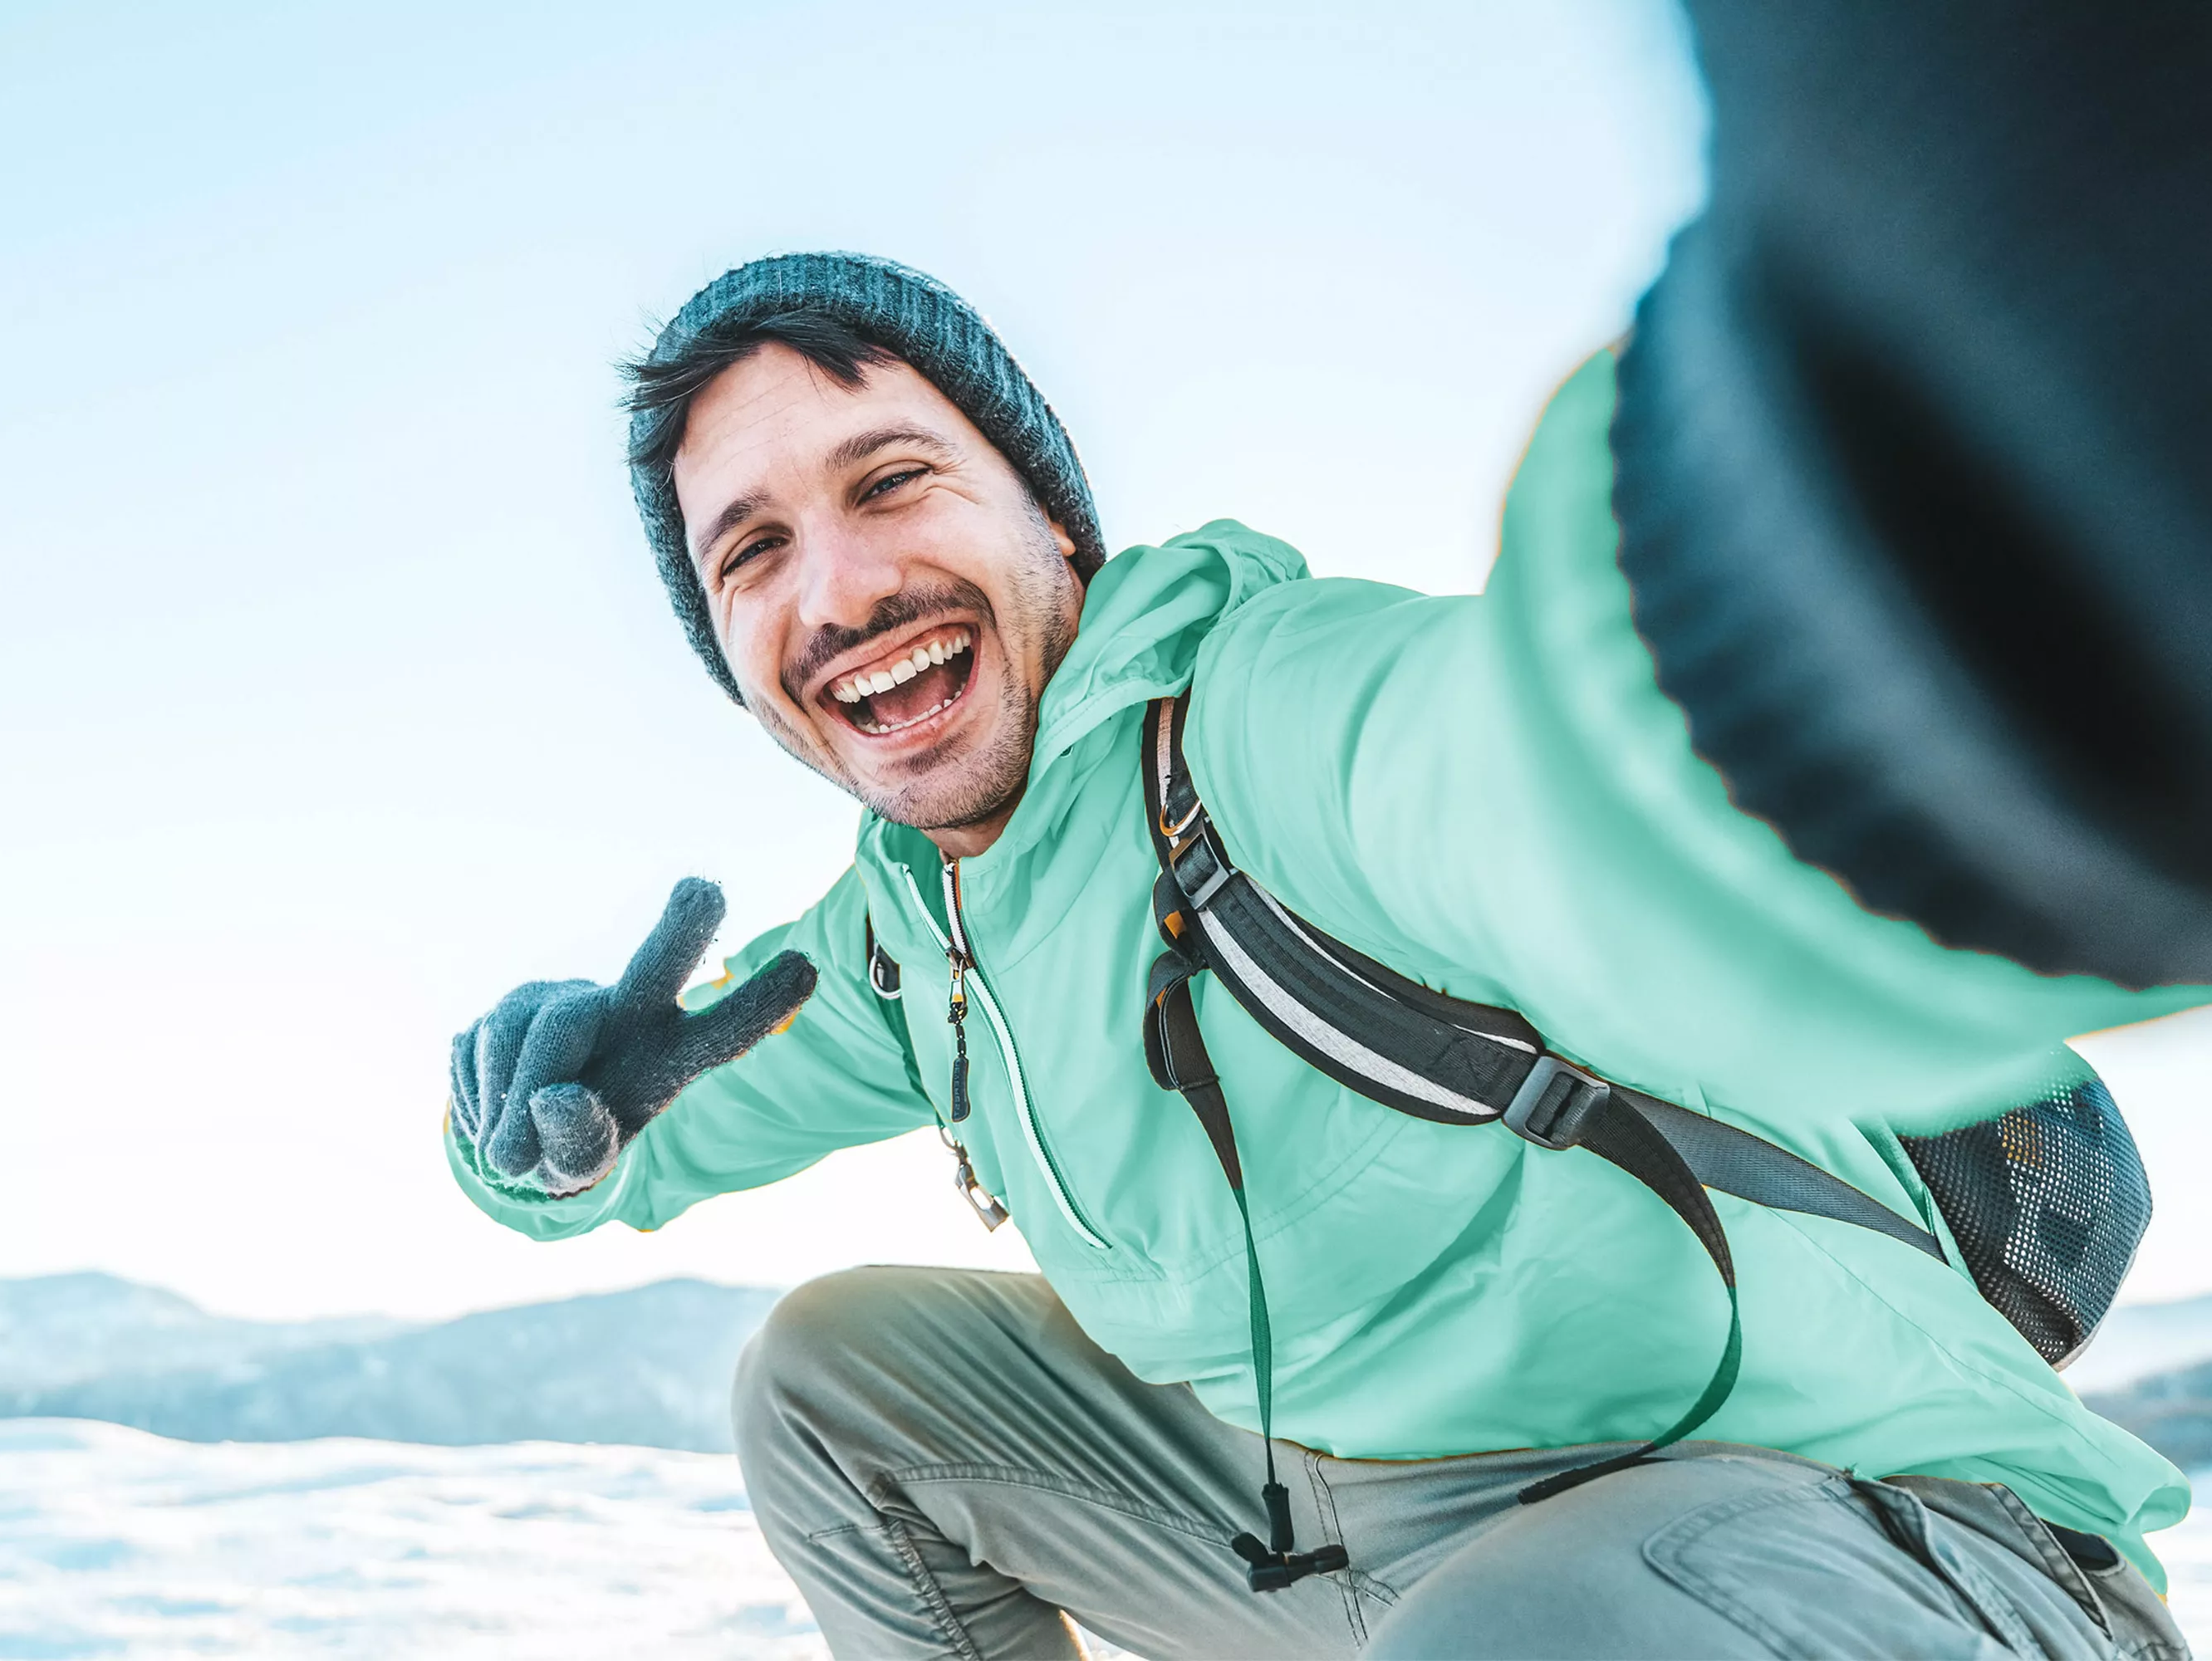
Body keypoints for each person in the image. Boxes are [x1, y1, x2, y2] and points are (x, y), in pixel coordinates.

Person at [444, 11, 2210, 1654]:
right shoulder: (911, 940)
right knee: (833, 1383)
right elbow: (636, 1146)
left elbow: (1554, 791)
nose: (835, 591)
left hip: (1882, 1536)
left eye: (892, 480)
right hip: (1386, 1551)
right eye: (752, 552)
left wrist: (1854, 623)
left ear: (1050, 522)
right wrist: (540, 1134)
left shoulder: (1268, 718)